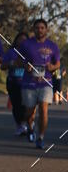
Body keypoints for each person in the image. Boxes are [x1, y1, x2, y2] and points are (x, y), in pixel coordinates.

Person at [19, 19, 60, 148]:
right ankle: (30, 126)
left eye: (42, 28)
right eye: (37, 28)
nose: (40, 30)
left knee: (43, 109)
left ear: (46, 30)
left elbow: (57, 63)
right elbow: (18, 60)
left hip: (46, 82)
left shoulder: (52, 46)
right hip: (29, 83)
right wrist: (26, 66)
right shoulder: (26, 44)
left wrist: (52, 67)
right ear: (34, 29)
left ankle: (41, 137)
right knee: (29, 112)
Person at [1, 31, 28, 135]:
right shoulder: (11, 52)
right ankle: (19, 125)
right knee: (16, 105)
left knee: (27, 105)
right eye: (20, 39)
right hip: (13, 82)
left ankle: (27, 123)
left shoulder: (30, 52)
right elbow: (3, 66)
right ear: (16, 40)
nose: (22, 41)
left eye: (25, 39)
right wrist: (12, 63)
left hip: (27, 83)